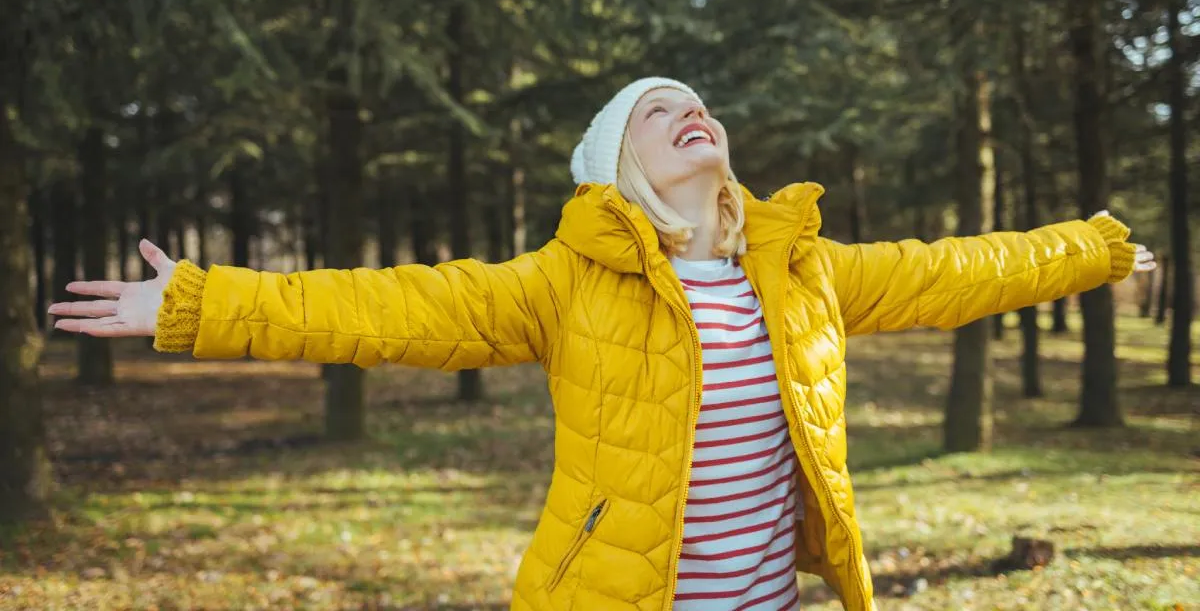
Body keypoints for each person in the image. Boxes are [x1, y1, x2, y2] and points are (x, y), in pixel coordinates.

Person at [50, 77, 1155, 611]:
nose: (691, 110)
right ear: (616, 166)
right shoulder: (569, 281)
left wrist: (1101, 249)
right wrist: (195, 304)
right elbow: (385, 306)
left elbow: (964, 267)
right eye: (656, 108)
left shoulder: (801, 269)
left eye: (699, 102)